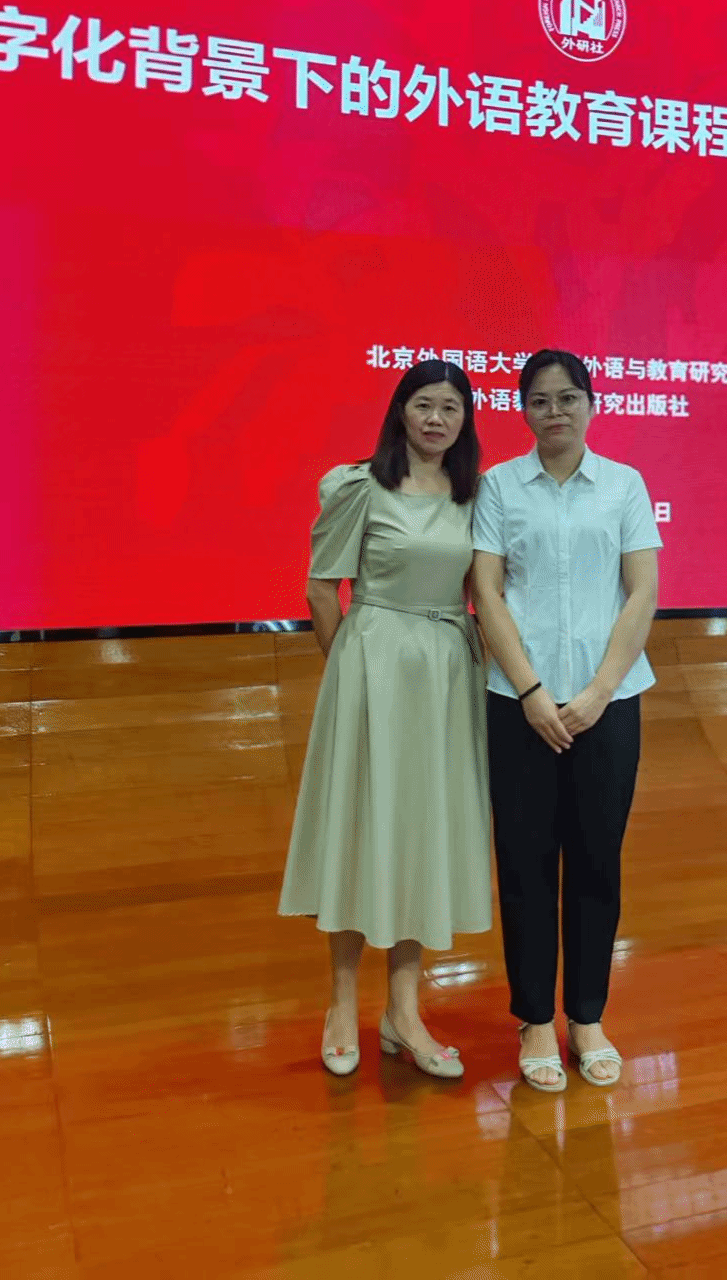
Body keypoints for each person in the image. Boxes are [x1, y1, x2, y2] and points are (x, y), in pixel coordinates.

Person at [279, 359, 491, 1079]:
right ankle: (341, 1005)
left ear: (465, 420)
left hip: (446, 674)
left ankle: (403, 1011)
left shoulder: (473, 495)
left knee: (420, 831)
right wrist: (350, 672)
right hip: (371, 665)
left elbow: (483, 590)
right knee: (358, 827)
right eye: (424, 404)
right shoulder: (359, 486)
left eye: (451, 408)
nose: (436, 419)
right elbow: (321, 588)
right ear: (401, 410)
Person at [471, 350, 661, 1091]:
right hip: (518, 704)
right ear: (522, 410)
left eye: (568, 398)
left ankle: (586, 1017)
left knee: (595, 863)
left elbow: (641, 591)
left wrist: (598, 692)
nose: (555, 412)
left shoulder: (624, 484)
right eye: (540, 400)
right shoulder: (498, 486)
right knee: (523, 865)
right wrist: (530, 690)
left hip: (607, 707)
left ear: (591, 403)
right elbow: (487, 591)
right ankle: (533, 1021)